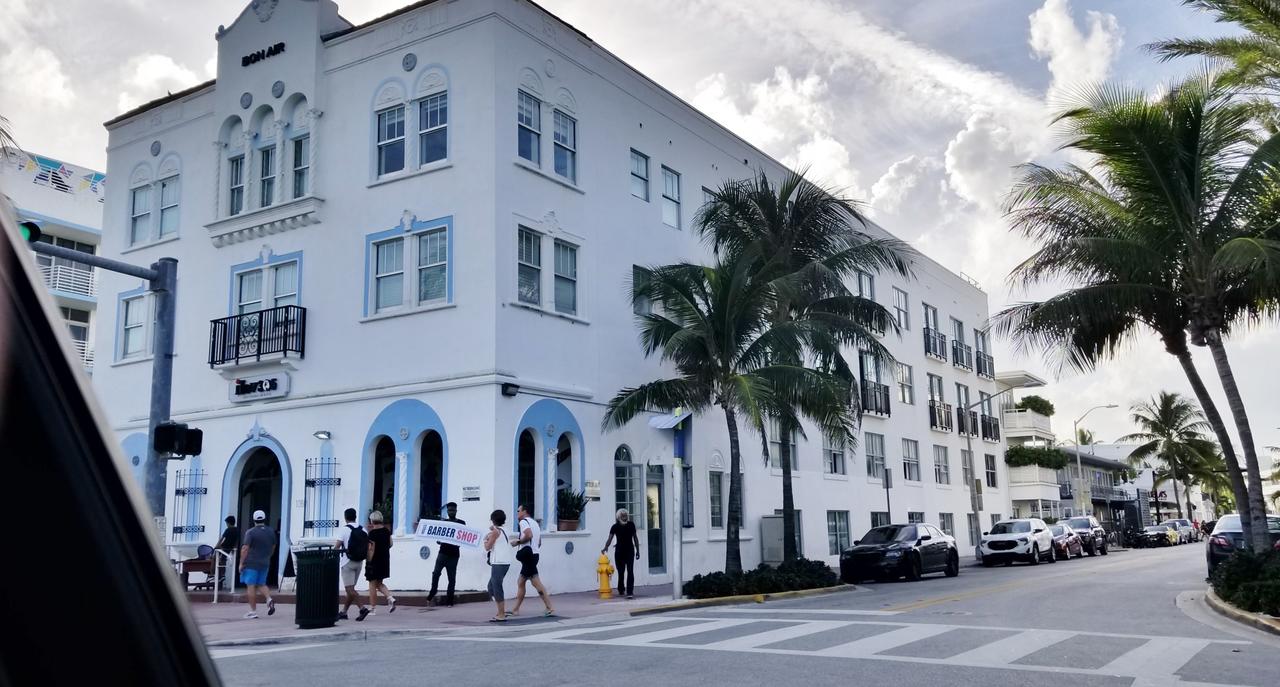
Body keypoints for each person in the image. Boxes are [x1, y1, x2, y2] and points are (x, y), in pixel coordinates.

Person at [509, 504, 554, 617]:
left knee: (536, 582)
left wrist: (517, 542)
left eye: (518, 510)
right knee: (521, 581)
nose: (517, 513)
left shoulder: (524, 522)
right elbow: (539, 542)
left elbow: (528, 535)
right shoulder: (535, 524)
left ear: (525, 511)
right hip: (534, 555)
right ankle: (515, 609)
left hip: (528, 556)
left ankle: (549, 607)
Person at [238, 510, 276, 619]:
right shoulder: (270, 531)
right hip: (265, 562)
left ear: (254, 520)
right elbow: (273, 546)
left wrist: (241, 563)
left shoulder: (250, 532)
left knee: (251, 586)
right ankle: (269, 599)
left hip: (251, 563)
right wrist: (268, 556)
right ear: (264, 519)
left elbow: (245, 548)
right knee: (261, 583)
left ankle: (253, 611)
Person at [427, 502, 465, 607]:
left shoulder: (461, 523)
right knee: (436, 574)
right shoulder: (443, 523)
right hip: (442, 553)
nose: (451, 512)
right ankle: (432, 593)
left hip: (454, 554)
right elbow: (438, 537)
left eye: (453, 510)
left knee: (451, 578)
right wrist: (439, 541)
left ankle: (450, 601)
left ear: (456, 511)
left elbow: (464, 538)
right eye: (449, 510)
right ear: (447, 511)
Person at [359, 510, 395, 620]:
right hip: (384, 560)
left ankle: (373, 608)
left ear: (372, 520)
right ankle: (390, 597)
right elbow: (391, 544)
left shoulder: (372, 533)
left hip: (375, 561)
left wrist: (368, 561)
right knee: (379, 583)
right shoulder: (386, 531)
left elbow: (371, 549)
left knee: (372, 585)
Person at [334, 507, 369, 621]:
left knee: (349, 589)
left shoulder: (344, 530)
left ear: (345, 518)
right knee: (351, 589)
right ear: (355, 516)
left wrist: (333, 553)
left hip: (347, 562)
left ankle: (362, 608)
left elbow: (337, 546)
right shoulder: (363, 529)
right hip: (359, 562)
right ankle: (344, 612)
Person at [482, 509, 513, 622]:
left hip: (498, 563)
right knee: (491, 587)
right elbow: (497, 533)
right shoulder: (505, 530)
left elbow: (487, 547)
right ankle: (501, 610)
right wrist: (492, 530)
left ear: (493, 520)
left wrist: (485, 540)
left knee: (496, 588)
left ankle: (501, 614)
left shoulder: (495, 532)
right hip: (504, 562)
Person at [602, 508, 641, 599]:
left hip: (630, 551)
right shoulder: (615, 526)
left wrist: (638, 550)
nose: (625, 517)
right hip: (619, 552)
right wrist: (606, 547)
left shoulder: (631, 525)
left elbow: (635, 538)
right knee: (621, 572)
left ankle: (630, 592)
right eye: (623, 516)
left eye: (626, 515)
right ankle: (621, 589)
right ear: (619, 517)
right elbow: (610, 538)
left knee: (630, 571)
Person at [215, 515, 239, 586]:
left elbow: (222, 539)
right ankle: (221, 575)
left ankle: (215, 573)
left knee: (216, 558)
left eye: (226, 523)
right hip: (230, 548)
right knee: (223, 560)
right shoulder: (237, 530)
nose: (226, 525)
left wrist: (216, 546)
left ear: (228, 523)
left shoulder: (228, 530)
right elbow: (237, 540)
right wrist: (234, 547)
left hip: (224, 547)